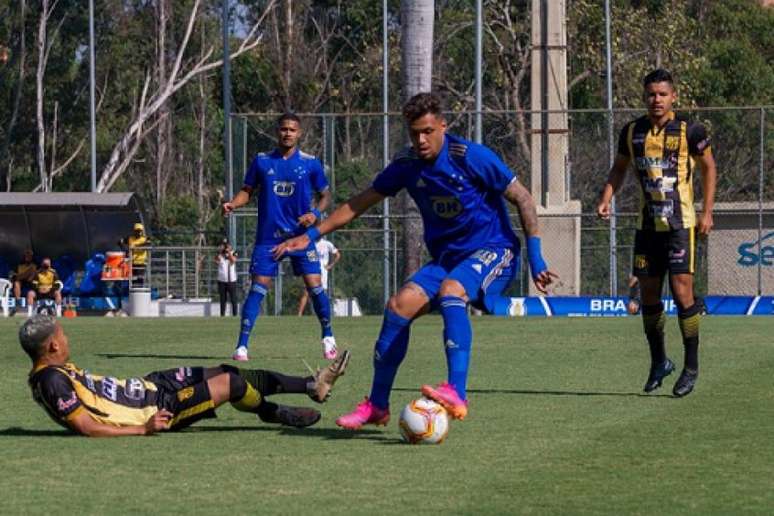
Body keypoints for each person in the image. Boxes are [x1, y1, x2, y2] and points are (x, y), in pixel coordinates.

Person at [274, 92, 557, 429]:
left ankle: (457, 392)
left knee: (453, 290)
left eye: (427, 131)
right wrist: (311, 235)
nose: (421, 140)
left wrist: (536, 258)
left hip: (496, 250)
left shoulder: (471, 157)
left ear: (442, 126)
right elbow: (359, 203)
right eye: (414, 133)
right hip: (449, 258)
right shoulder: (407, 166)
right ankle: (377, 405)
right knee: (399, 305)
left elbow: (522, 198)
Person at [20, 315, 351, 437]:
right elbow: (85, 426)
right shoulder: (50, 380)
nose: (67, 339)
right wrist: (143, 428)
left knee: (227, 371)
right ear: (52, 345)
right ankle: (274, 413)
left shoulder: (53, 370)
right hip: (157, 409)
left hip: (152, 386)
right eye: (62, 336)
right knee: (231, 385)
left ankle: (312, 385)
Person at [596, 68, 716, 398]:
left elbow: (709, 167)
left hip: (680, 225)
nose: (656, 100)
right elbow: (619, 168)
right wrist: (606, 197)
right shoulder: (632, 132)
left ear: (673, 97)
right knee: (648, 296)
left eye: (662, 94)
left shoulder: (690, 130)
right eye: (651, 94)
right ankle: (659, 361)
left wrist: (707, 211)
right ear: (644, 96)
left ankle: (691, 366)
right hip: (647, 227)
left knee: (681, 293)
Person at [222, 113, 336, 362]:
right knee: (258, 288)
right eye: (283, 129)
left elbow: (326, 195)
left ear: (299, 133)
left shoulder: (311, 163)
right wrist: (233, 204)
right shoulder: (262, 162)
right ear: (277, 131)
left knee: (315, 287)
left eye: (292, 130)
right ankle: (242, 346)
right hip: (268, 238)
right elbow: (246, 191)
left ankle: (328, 338)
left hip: (301, 238)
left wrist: (315, 213)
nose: (287, 133)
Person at [297, 236, 341, 316]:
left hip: (323, 272)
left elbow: (337, 255)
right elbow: (311, 258)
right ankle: (299, 314)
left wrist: (330, 265)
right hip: (312, 271)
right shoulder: (311, 244)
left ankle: (324, 313)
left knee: (322, 293)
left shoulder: (327, 244)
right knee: (306, 292)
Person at [119, 222, 151, 287]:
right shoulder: (130, 238)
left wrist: (136, 247)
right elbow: (120, 242)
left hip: (141, 262)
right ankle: (133, 292)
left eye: (140, 231)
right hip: (132, 262)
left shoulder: (145, 239)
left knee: (140, 278)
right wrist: (125, 250)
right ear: (134, 231)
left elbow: (148, 244)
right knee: (133, 279)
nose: (138, 233)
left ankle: (139, 291)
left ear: (142, 232)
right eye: (137, 231)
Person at [215, 239, 239, 317]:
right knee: (222, 299)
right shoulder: (220, 254)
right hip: (222, 280)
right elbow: (216, 261)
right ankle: (222, 315)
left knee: (233, 299)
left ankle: (235, 315)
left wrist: (229, 252)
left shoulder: (234, 253)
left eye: (227, 245)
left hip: (231, 280)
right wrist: (220, 252)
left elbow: (233, 261)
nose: (225, 247)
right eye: (224, 245)